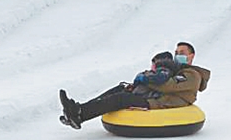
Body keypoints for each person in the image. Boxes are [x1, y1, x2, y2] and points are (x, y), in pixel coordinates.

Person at [59, 42, 211, 130]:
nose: (178, 54)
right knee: (120, 88)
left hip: (161, 103)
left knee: (121, 99)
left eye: (182, 52)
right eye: (176, 52)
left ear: (191, 56)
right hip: (154, 96)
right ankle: (78, 111)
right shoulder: (175, 69)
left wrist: (146, 79)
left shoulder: (192, 75)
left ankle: (80, 114)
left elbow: (168, 86)